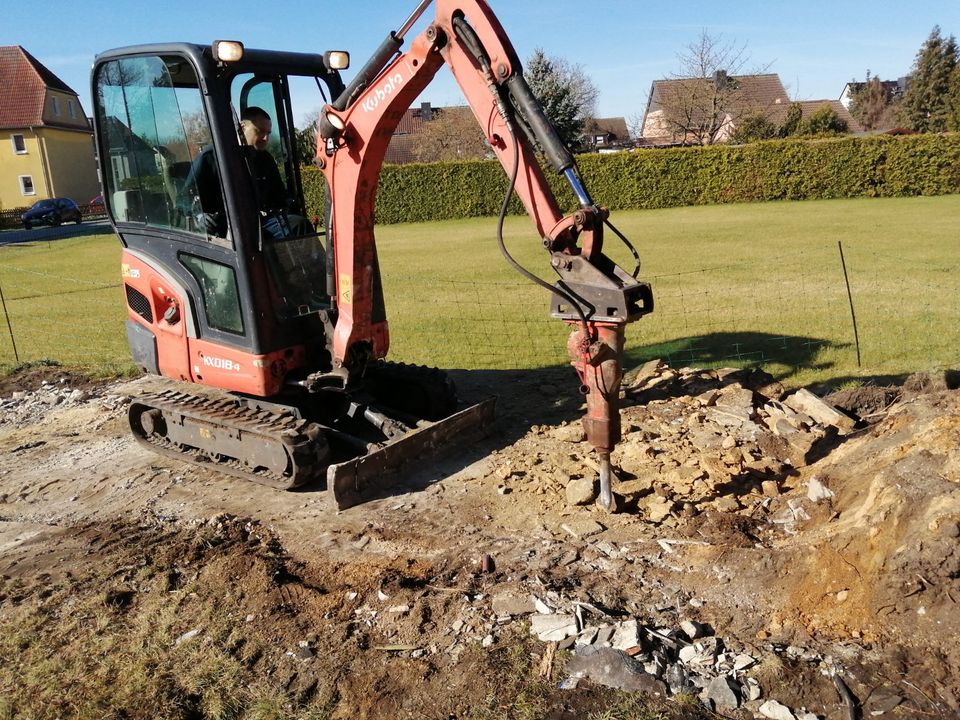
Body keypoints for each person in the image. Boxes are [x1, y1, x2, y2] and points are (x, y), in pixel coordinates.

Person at [239, 106, 312, 240]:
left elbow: (279, 195)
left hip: (264, 223)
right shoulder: (213, 158)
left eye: (268, 133)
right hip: (233, 228)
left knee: (298, 224)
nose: (265, 138)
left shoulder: (265, 159)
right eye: (260, 131)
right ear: (242, 127)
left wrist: (289, 203)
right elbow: (190, 197)